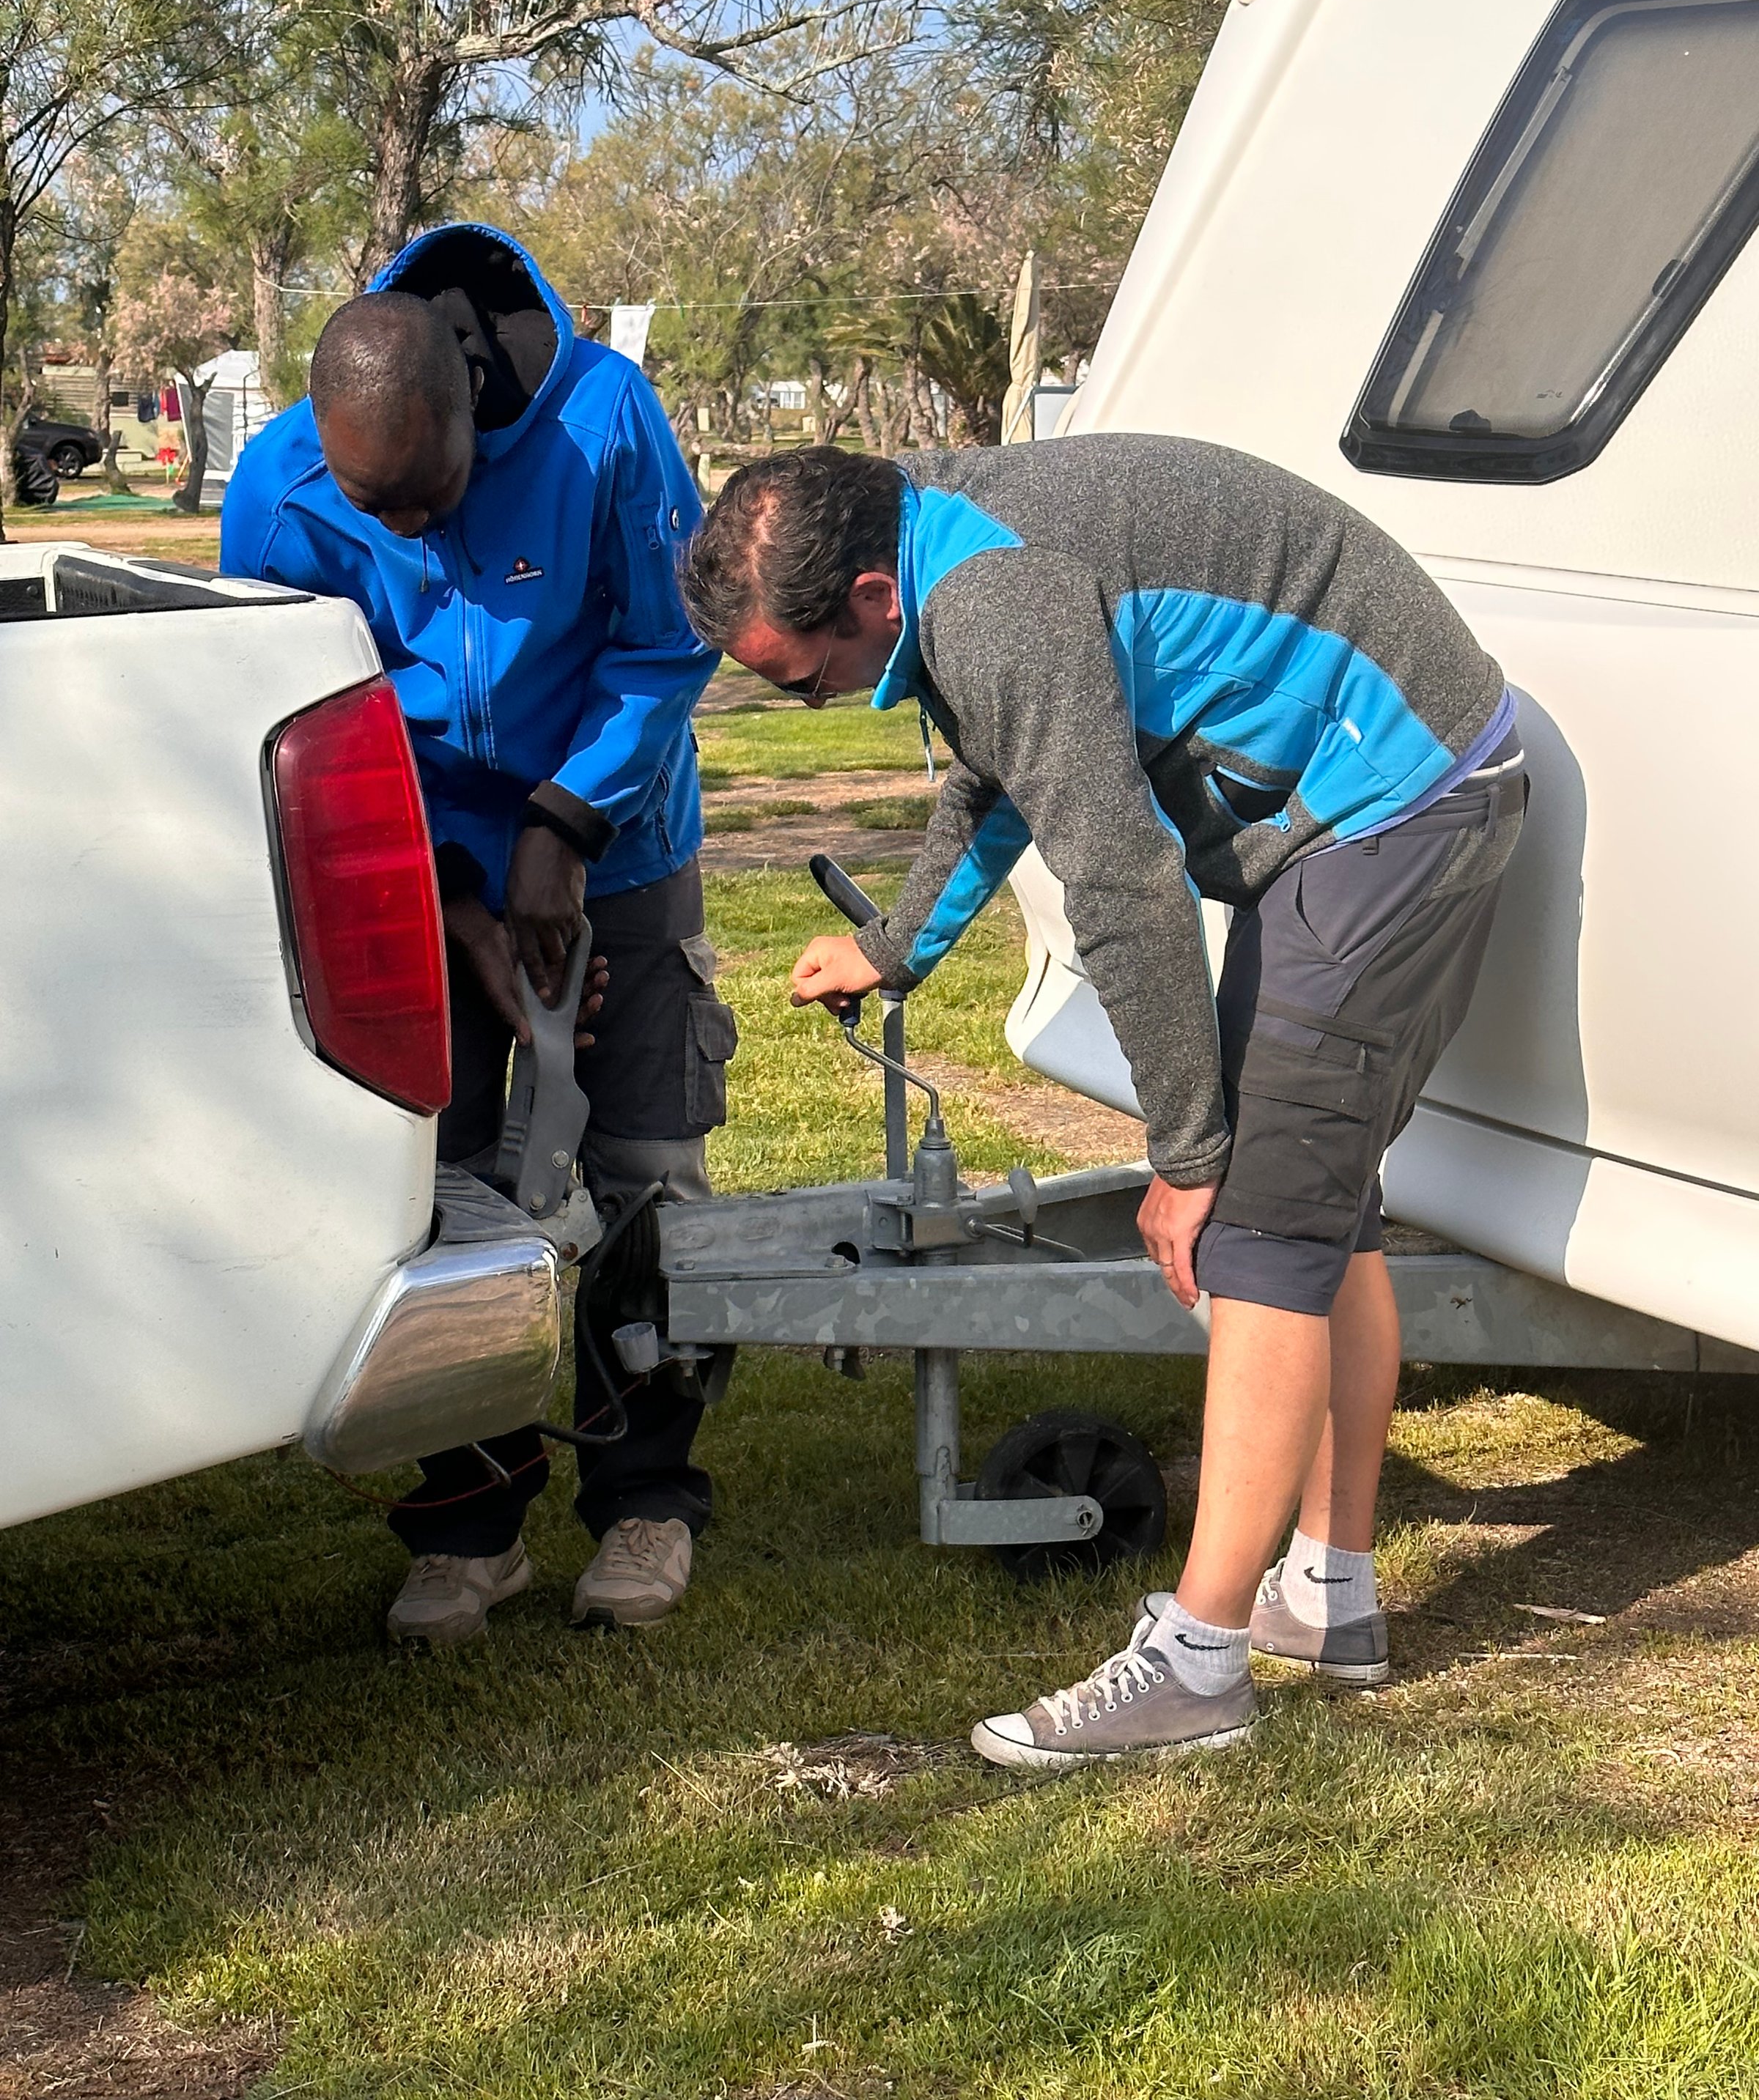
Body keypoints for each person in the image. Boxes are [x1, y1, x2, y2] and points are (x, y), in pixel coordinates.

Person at [679, 435, 1524, 1769]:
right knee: (1318, 1211)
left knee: (1259, 1233)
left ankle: (1199, 1663)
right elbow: (1000, 765)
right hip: (1366, 798)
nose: (816, 706)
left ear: (866, 595)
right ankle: (1328, 1595)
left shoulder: (991, 596)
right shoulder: (941, 547)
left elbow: (1124, 890)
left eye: (807, 678)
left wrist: (1186, 1156)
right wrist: (897, 947)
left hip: (1398, 804)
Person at [222, 223, 734, 1648]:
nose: (409, 538)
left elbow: (667, 643)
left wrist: (562, 830)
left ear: (470, 393)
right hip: (411, 860)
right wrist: (464, 897)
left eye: (432, 499)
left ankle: (644, 1496)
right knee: (434, 1184)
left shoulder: (604, 422)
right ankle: (469, 1522)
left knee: (638, 1167)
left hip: (615, 836)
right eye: (374, 511)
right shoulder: (279, 480)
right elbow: (312, 704)